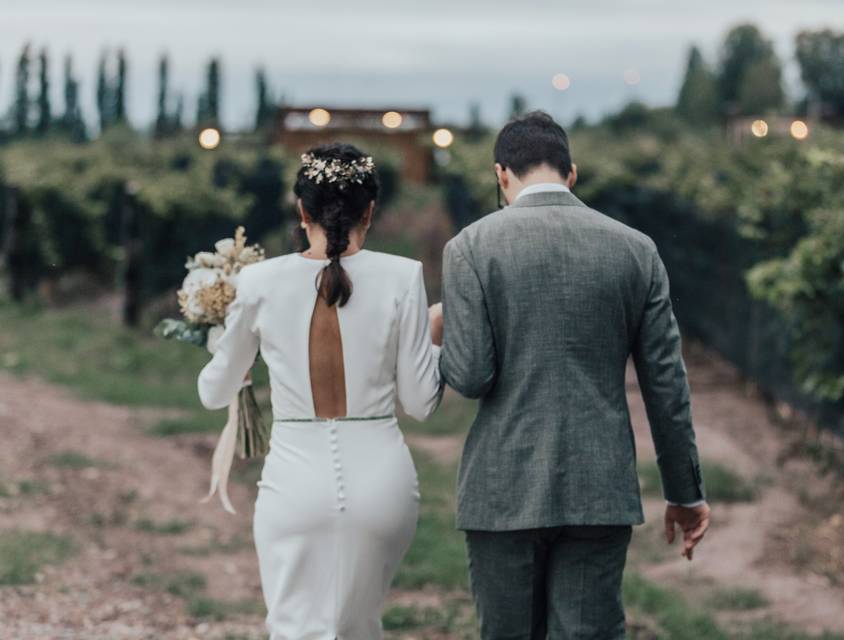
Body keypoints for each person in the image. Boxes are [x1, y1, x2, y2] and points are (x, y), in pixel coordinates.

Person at [434, 111, 710, 639]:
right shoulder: (635, 249)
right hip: (598, 488)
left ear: (501, 175)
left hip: (502, 491)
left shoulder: (470, 248)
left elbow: (469, 377)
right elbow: (666, 386)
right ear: (572, 173)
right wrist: (685, 492)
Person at [197, 143, 444, 640]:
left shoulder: (258, 281)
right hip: (383, 485)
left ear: (301, 209)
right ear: (370, 212)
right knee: (359, 626)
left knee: (294, 627)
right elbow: (420, 403)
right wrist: (433, 336)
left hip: (294, 487)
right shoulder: (404, 276)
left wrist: (222, 336)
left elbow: (213, 391)